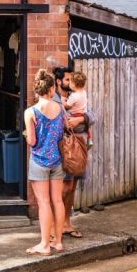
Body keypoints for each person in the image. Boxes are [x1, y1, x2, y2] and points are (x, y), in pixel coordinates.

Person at [24, 69, 65, 255]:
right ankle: (57, 241)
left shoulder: (30, 112)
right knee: (58, 201)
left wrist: (28, 135)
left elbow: (32, 141)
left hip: (39, 161)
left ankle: (44, 245)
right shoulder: (60, 108)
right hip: (56, 160)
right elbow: (59, 134)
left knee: (44, 203)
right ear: (49, 89)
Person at [52, 66, 95, 239]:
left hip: (78, 146)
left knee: (72, 187)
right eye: (67, 80)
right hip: (63, 148)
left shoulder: (76, 96)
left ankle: (67, 224)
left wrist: (81, 118)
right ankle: (56, 225)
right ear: (58, 81)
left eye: (72, 80)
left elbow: (93, 115)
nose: (71, 83)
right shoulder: (54, 98)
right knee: (64, 188)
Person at [64, 70, 92, 146]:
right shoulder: (83, 92)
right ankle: (89, 139)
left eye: (69, 81)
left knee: (66, 119)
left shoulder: (74, 96)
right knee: (87, 126)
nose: (69, 83)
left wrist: (62, 101)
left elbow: (67, 106)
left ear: (73, 84)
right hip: (83, 113)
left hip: (74, 114)